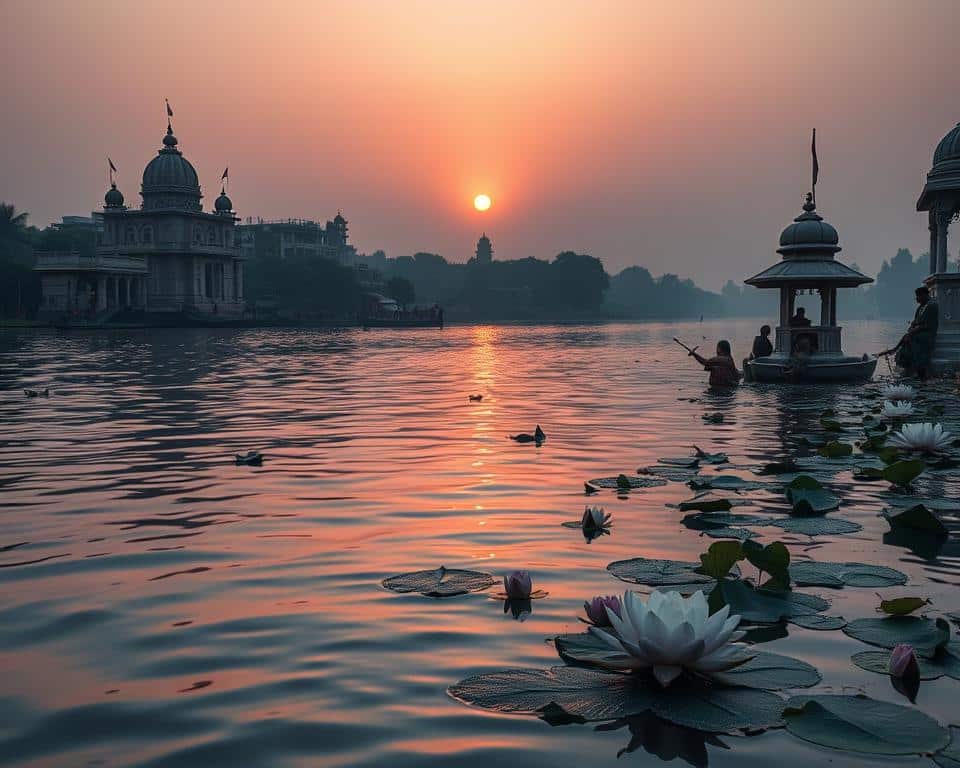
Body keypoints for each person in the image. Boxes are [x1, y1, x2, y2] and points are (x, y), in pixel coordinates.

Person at [884, 286, 939, 380]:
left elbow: (928, 325)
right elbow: (915, 322)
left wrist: (912, 331)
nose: (917, 299)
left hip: (927, 335)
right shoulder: (921, 307)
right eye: (916, 297)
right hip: (918, 333)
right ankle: (900, 356)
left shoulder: (932, 306)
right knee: (907, 338)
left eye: (918, 296)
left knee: (911, 340)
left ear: (925, 295)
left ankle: (916, 368)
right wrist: (911, 329)